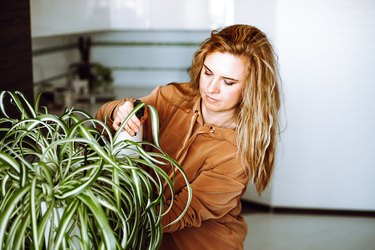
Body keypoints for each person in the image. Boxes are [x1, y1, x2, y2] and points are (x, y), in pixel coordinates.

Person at [96, 24, 281, 250]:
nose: (211, 88)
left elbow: (177, 213)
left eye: (228, 82)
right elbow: (104, 124)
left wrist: (101, 217)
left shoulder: (237, 153)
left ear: (251, 87)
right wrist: (119, 112)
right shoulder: (171, 97)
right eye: (208, 73)